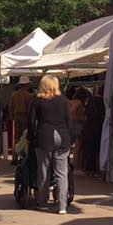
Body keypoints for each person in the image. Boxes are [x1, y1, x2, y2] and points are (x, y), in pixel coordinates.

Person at [28, 75, 72, 214]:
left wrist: (31, 137)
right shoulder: (64, 100)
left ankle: (42, 202)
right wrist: (70, 138)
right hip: (62, 136)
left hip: (44, 137)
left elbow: (31, 122)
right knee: (62, 173)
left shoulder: (37, 101)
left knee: (44, 170)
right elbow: (69, 122)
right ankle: (62, 206)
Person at [82, 85, 105, 177]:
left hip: (89, 128)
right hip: (99, 128)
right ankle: (99, 169)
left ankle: (90, 170)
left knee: (90, 150)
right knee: (98, 150)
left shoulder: (91, 101)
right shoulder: (104, 102)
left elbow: (86, 114)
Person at [8, 78, 34, 159]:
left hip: (16, 117)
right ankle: (24, 157)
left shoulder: (14, 95)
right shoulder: (29, 96)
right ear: (27, 85)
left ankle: (15, 157)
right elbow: (31, 108)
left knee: (16, 137)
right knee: (25, 137)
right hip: (26, 117)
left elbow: (10, 107)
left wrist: (11, 116)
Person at [69, 87, 91, 167]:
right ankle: (76, 165)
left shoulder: (69, 101)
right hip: (77, 126)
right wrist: (82, 118)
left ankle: (73, 164)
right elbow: (73, 111)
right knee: (78, 146)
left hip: (70, 126)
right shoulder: (78, 102)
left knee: (71, 145)